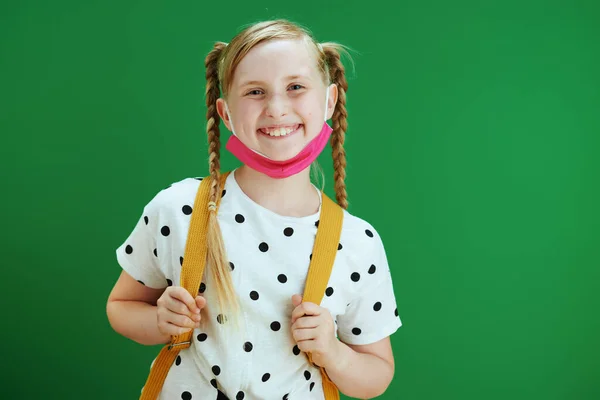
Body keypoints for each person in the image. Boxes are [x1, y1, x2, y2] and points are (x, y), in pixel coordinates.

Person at [106, 19, 402, 400]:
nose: (277, 108)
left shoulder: (358, 242)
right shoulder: (177, 209)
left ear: (329, 101)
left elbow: (377, 374)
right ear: (226, 113)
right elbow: (121, 307)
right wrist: (159, 321)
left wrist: (333, 352)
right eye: (255, 92)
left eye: (295, 87)